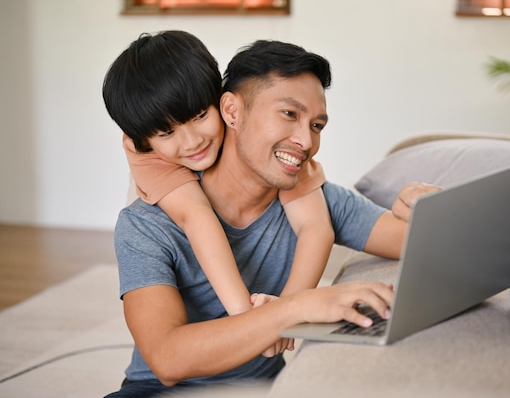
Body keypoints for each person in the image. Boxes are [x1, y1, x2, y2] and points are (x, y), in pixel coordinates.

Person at [103, 35, 434, 398]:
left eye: (317, 125)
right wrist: (292, 310)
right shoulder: (147, 223)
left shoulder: (314, 195)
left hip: (259, 389)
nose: (306, 142)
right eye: (289, 114)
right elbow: (167, 361)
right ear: (232, 110)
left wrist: (418, 207)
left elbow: (426, 242)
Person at [103, 30, 335, 328]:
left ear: (222, 101)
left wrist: (290, 307)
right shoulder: (143, 150)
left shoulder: (253, 124)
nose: (192, 142)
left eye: (200, 116)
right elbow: (197, 217)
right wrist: (251, 319)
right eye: (167, 133)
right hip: (165, 186)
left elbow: (316, 225)